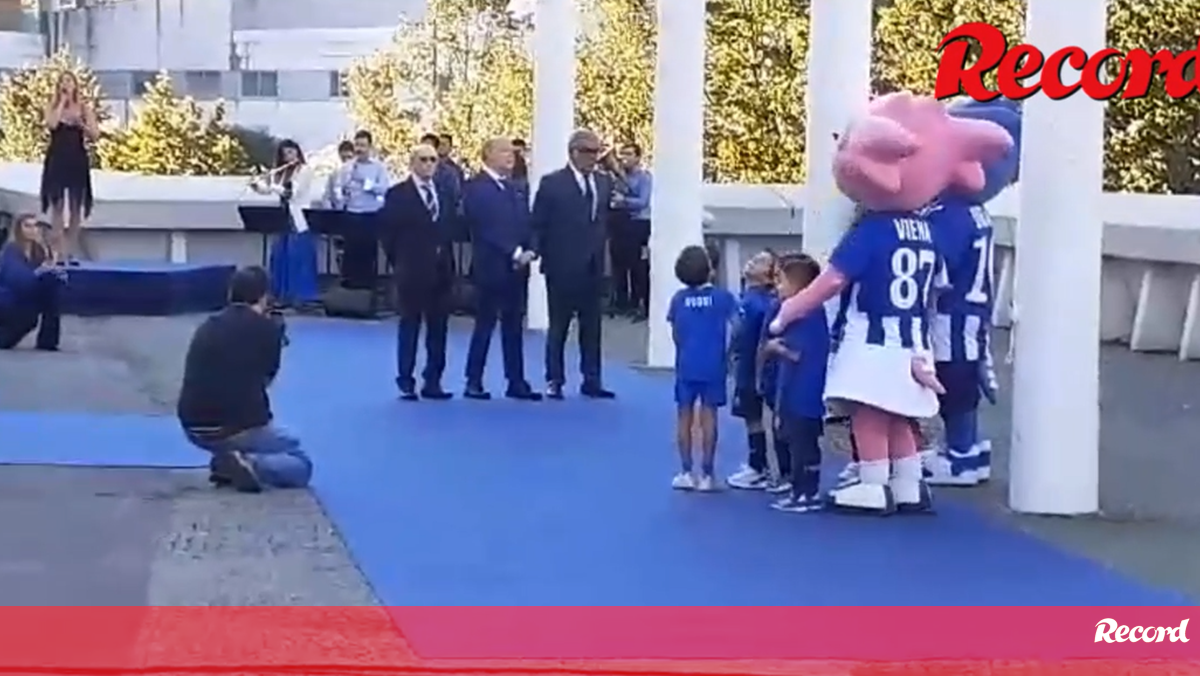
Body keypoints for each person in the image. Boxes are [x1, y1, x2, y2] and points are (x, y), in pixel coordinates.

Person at [769, 92, 1012, 515]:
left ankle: (873, 480)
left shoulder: (874, 230)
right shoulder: (925, 230)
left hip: (874, 334)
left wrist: (790, 310)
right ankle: (909, 482)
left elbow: (832, 280)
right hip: (914, 334)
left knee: (870, 412)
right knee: (902, 415)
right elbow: (938, 280)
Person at [177, 266, 312, 493]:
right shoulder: (268, 328)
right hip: (238, 424)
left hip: (193, 425)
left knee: (254, 436)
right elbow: (267, 379)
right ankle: (250, 463)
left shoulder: (208, 324)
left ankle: (229, 460)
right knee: (299, 461)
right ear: (264, 297)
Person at [530, 129, 616, 400]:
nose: (594, 158)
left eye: (597, 152)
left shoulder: (603, 183)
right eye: (589, 152)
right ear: (574, 152)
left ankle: (592, 379)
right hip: (561, 265)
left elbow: (603, 219)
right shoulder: (553, 183)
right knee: (559, 326)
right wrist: (535, 252)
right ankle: (554, 379)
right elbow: (538, 223)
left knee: (592, 327)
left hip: (593, 265)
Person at [462, 138, 541, 401]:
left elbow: (526, 223)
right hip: (491, 267)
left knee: (514, 326)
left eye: (513, 151)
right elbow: (486, 227)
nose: (511, 155)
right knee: (484, 324)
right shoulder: (475, 187)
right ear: (488, 155)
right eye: (504, 151)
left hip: (517, 269)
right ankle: (473, 380)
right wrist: (514, 251)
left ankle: (515, 380)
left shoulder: (516, 188)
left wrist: (530, 249)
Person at [380, 144, 455, 401]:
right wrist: (400, 261)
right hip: (411, 270)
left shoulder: (444, 194)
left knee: (439, 329)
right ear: (412, 162)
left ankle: (433, 381)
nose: (429, 164)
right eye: (423, 159)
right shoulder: (397, 194)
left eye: (433, 160)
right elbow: (387, 234)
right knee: (410, 325)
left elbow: (449, 230)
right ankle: (406, 380)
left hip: (441, 271)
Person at [667, 244, 738, 492]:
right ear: (710, 270)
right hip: (713, 364)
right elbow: (737, 327)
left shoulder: (678, 299)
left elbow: (676, 332)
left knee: (684, 416)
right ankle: (708, 474)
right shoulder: (723, 297)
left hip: (687, 364)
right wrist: (728, 353)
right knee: (709, 418)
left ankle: (686, 471)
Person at [766, 254, 830, 513]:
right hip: (795, 388)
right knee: (797, 441)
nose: (777, 287)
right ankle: (801, 491)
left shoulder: (807, 313)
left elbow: (799, 353)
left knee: (803, 444)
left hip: (804, 391)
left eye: (781, 281)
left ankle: (806, 493)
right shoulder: (801, 313)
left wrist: (774, 348)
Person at [727, 251, 778, 490]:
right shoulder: (748, 298)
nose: (751, 261)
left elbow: (747, 335)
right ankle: (760, 465)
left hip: (752, 364)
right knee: (751, 414)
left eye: (759, 261)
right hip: (745, 362)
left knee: (754, 415)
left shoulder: (758, 303)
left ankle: (758, 467)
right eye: (753, 257)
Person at [250, 139, 320, 310]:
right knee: (280, 256)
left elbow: (292, 193)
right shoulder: (281, 173)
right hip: (282, 219)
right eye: (285, 154)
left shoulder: (304, 170)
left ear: (298, 152)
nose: (289, 157)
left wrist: (273, 186)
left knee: (298, 258)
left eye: (292, 152)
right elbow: (269, 190)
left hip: (299, 219)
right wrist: (257, 185)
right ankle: (280, 295)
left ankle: (301, 297)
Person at [41, 72, 98, 265]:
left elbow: (95, 135)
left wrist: (81, 123)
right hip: (57, 157)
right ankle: (57, 252)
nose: (66, 85)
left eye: (69, 81)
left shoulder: (84, 108)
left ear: (75, 85)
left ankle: (69, 251)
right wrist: (61, 103)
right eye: (63, 82)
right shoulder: (52, 105)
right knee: (57, 207)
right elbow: (52, 124)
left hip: (76, 158)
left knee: (75, 207)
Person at [0, 214, 64, 351]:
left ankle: (48, 341)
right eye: (27, 226)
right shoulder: (11, 250)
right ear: (19, 229)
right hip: (9, 302)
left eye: (35, 226)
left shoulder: (38, 251)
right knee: (6, 341)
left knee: (53, 284)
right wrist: (39, 272)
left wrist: (54, 272)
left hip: (28, 298)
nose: (32, 230)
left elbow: (41, 274)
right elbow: (15, 278)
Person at [335, 130, 390, 290]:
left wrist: (366, 183)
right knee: (351, 253)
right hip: (352, 213)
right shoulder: (347, 167)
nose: (359, 149)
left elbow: (384, 189)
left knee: (367, 252)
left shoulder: (378, 167)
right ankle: (350, 288)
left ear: (370, 147)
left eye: (363, 145)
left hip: (370, 215)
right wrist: (342, 194)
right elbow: (338, 188)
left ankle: (367, 289)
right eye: (357, 145)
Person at [609, 143, 653, 320]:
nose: (624, 157)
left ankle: (638, 302)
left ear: (637, 157)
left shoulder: (644, 178)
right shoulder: (618, 177)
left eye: (629, 154)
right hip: (620, 223)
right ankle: (622, 302)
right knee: (619, 264)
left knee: (637, 266)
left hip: (638, 223)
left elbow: (643, 201)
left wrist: (624, 200)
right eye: (622, 154)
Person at [322, 140, 356, 209]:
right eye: (343, 158)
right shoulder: (334, 175)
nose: (346, 160)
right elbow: (326, 197)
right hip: (339, 213)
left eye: (349, 157)